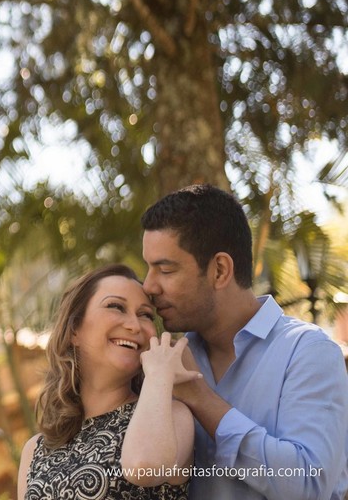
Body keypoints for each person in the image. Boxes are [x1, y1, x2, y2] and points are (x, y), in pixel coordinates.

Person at [141, 183, 348, 500]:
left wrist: (200, 397)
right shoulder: (167, 362)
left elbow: (307, 483)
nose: (149, 285)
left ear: (220, 270)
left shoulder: (308, 352)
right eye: (148, 268)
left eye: (165, 269)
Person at [18, 263, 196, 499]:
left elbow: (145, 465)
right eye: (116, 307)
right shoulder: (35, 449)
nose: (134, 325)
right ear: (74, 330)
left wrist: (160, 372)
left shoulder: (173, 415)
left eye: (145, 315)